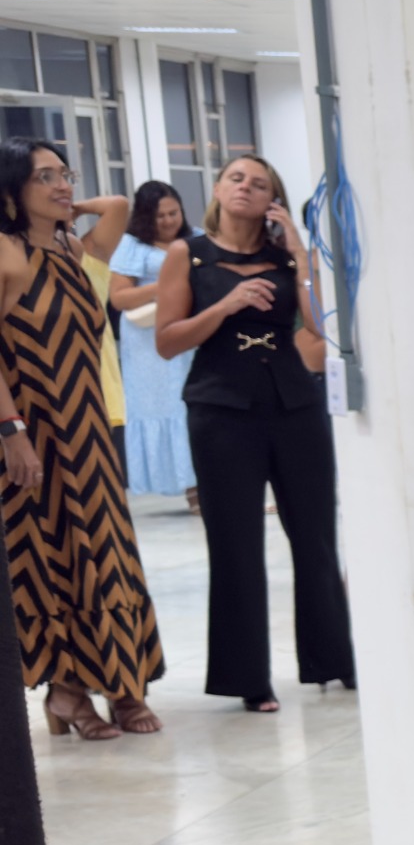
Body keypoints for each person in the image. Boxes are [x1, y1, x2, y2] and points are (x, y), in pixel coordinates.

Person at [154, 153, 353, 712]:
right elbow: (168, 341)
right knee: (235, 544)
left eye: (259, 183)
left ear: (273, 200)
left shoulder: (287, 257)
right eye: (236, 178)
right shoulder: (188, 254)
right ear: (218, 189)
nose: (245, 187)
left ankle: (335, 659)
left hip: (295, 406)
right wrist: (227, 304)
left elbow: (322, 326)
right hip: (221, 411)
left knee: (315, 537)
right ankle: (247, 679)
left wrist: (300, 255)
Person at [0, 140, 164, 739]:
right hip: (34, 431)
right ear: (11, 190)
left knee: (109, 551)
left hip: (88, 428)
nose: (63, 186)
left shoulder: (73, 248)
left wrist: (61, 203)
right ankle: (68, 690)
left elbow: (118, 204)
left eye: (64, 174)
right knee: (56, 556)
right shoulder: (6, 254)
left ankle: (121, 682)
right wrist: (11, 433)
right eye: (44, 177)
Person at [108, 180, 197, 507]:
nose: (169, 221)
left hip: (191, 333)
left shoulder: (196, 238)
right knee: (166, 405)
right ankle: (189, 488)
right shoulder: (132, 246)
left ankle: (201, 487)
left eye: (174, 213)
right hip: (149, 344)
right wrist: (165, 284)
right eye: (161, 216)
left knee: (194, 403)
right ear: (146, 216)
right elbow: (118, 298)